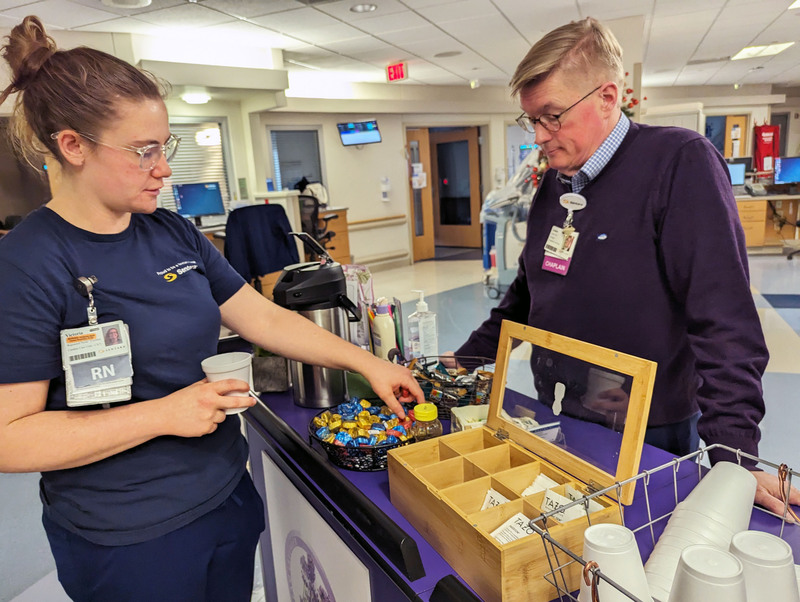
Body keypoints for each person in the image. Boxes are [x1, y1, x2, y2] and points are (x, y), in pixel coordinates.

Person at [0, 16, 423, 602]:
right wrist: (162, 414)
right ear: (72, 146)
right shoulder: (27, 263)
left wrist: (368, 363)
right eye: (143, 150)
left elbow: (262, 316)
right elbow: (10, 438)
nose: (164, 168)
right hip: (127, 537)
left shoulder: (171, 232)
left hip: (225, 495)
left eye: (164, 146)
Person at [448, 17, 799, 516]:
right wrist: (460, 365)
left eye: (552, 116)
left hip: (648, 427)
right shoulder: (554, 185)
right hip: (561, 411)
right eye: (531, 121)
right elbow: (529, 297)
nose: (539, 138)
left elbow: (725, 321)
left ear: (608, 98)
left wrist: (735, 460)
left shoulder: (679, 163)